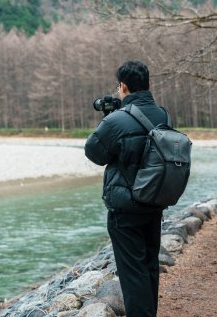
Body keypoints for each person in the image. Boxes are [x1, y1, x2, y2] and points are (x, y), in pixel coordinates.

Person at [85, 60, 170, 317]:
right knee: (149, 266)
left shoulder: (116, 120)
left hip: (126, 207)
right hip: (154, 201)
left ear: (123, 86)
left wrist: (108, 121)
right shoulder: (163, 114)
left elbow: (94, 153)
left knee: (132, 273)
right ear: (148, 84)